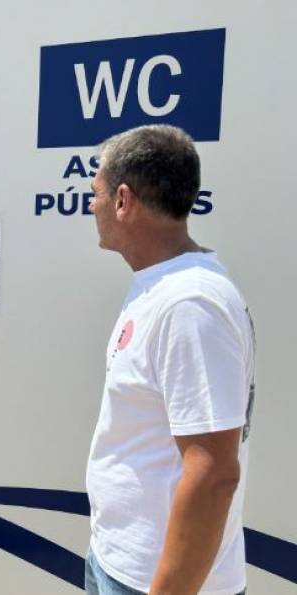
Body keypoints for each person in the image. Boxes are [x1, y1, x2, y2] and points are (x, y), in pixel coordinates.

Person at [85, 125, 254, 595]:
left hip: (155, 582)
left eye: (95, 192)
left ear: (123, 200)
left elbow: (214, 474)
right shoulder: (161, 288)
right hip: (118, 562)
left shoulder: (190, 304)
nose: (91, 206)